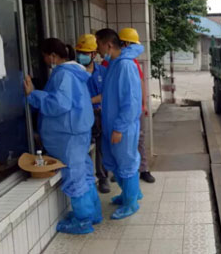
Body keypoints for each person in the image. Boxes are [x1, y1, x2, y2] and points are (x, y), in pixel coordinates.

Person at [23, 38, 102, 234]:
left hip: (69, 135)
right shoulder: (76, 72)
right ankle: (93, 214)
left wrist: (33, 94)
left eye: (44, 57)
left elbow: (60, 104)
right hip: (78, 131)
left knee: (75, 177)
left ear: (52, 56)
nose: (44, 61)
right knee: (84, 173)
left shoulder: (63, 74)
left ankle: (83, 221)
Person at [95, 28, 143, 220]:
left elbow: (130, 102)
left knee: (126, 164)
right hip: (113, 126)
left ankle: (131, 203)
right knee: (116, 162)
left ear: (108, 44)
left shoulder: (125, 65)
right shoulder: (114, 64)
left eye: (98, 44)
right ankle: (128, 194)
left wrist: (119, 128)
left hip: (122, 128)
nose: (97, 49)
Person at [118, 28, 155, 183]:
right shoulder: (114, 63)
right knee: (124, 143)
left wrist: (144, 104)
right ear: (124, 44)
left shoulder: (131, 62)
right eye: (132, 45)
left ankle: (143, 170)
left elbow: (141, 82)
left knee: (139, 138)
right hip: (122, 111)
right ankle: (122, 172)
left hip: (135, 109)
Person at [75, 34, 110, 193]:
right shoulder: (74, 72)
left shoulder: (102, 71)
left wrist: (90, 100)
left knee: (102, 147)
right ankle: (88, 179)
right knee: (85, 146)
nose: (82, 56)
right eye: (80, 52)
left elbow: (108, 93)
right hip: (82, 116)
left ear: (94, 54)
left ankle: (103, 178)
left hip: (100, 113)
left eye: (85, 53)